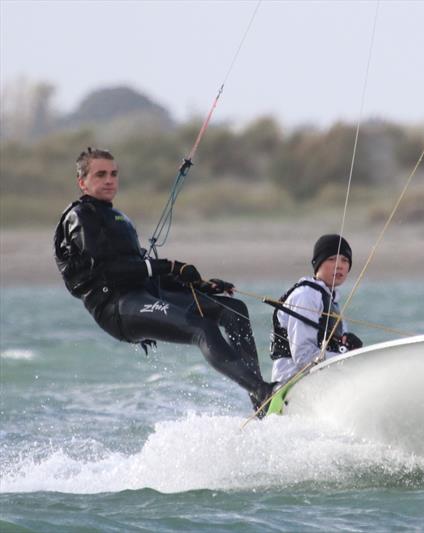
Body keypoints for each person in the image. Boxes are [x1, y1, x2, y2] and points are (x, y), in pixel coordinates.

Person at [54, 147, 273, 414]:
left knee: (234, 310)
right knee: (202, 329)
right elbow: (109, 272)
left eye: (113, 174)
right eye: (100, 175)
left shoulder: (117, 217)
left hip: (143, 294)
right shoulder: (80, 217)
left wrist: (198, 284)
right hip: (117, 306)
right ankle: (261, 390)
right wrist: (167, 266)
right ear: (82, 182)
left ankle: (261, 400)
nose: (109, 180)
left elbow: (140, 270)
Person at [270, 234, 363, 385]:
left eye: (345, 260)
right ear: (318, 263)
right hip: (291, 385)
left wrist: (349, 347)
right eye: (332, 259)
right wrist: (345, 357)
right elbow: (303, 357)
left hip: (321, 380)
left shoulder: (330, 299)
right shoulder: (306, 296)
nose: (339, 265)